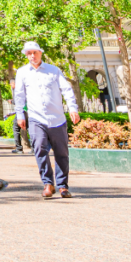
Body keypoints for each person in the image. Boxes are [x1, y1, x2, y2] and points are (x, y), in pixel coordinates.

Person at [13, 40, 80, 199]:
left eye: (35, 52)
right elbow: (20, 95)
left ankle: (63, 185)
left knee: (61, 152)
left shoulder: (53, 70)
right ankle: (48, 183)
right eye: (29, 53)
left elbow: (66, 90)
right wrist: (20, 115)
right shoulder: (22, 72)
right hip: (36, 118)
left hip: (57, 118)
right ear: (26, 55)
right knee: (40, 150)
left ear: (40, 53)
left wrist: (72, 108)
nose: (32, 56)